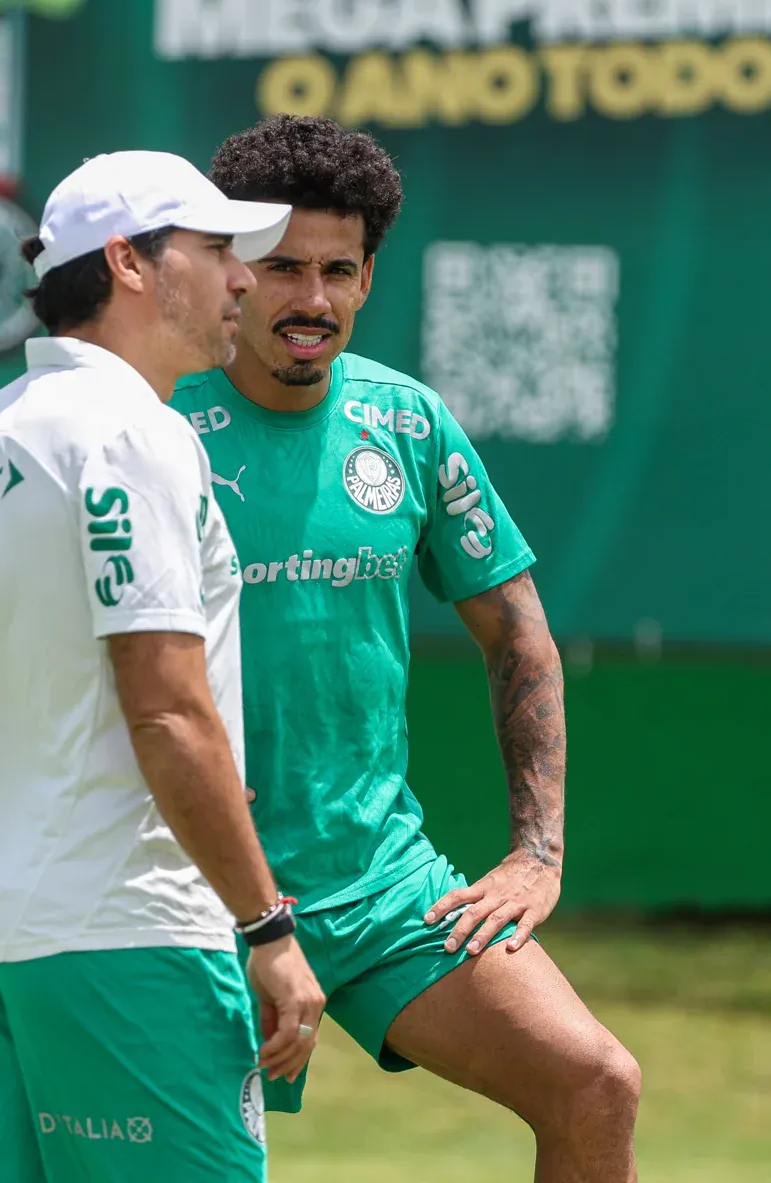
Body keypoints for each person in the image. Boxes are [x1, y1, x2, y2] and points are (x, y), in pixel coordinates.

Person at [170, 116, 641, 1180]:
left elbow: (518, 631)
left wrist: (537, 851)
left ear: (371, 276)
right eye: (283, 266)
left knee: (596, 1082)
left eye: (339, 269)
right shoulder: (151, 422)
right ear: (230, 270)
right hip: (191, 885)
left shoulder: (409, 421)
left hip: (377, 882)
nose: (313, 299)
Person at [0, 150, 326, 1183]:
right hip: (128, 930)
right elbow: (166, 710)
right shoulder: (130, 432)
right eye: (214, 249)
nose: (245, 276)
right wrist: (269, 926)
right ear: (129, 263)